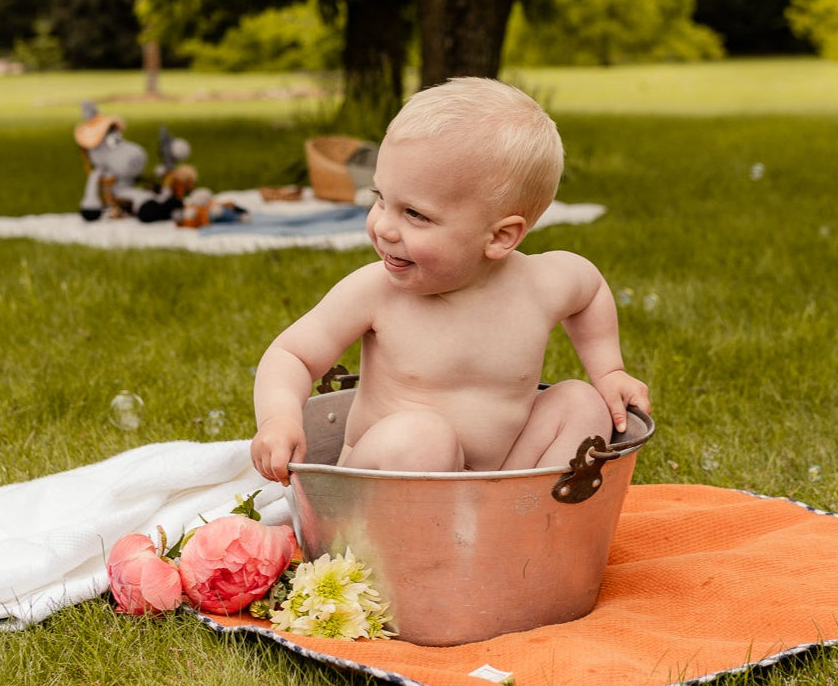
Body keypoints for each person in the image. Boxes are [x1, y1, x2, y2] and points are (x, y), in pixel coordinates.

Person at [250, 77, 649, 483]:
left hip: (494, 480)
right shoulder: (376, 292)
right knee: (422, 436)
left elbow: (591, 289)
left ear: (500, 236)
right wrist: (279, 419)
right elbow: (292, 355)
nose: (384, 227)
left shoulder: (543, 284)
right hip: (382, 487)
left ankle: (518, 522)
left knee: (581, 401)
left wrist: (608, 371)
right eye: (381, 198)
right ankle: (418, 541)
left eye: (415, 214)